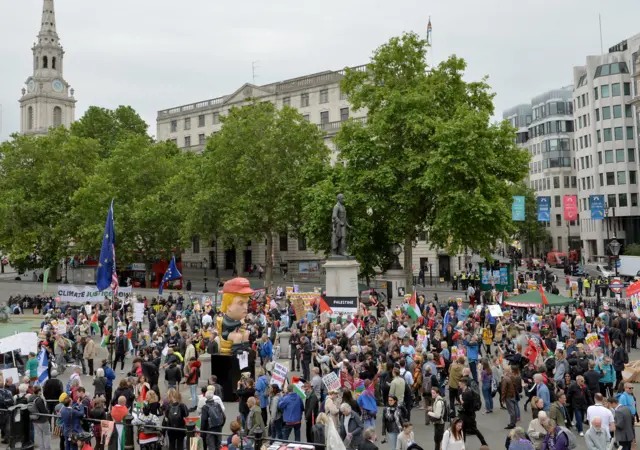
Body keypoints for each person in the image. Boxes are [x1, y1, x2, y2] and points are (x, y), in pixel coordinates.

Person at [458, 377, 488, 446]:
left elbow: (465, 405)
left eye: (460, 384)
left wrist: (461, 399)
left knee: (473, 429)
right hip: (469, 414)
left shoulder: (466, 393)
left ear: (463, 384)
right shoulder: (469, 390)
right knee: (464, 429)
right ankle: (463, 444)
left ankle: (483, 442)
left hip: (468, 415)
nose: (459, 385)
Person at [31, 385, 51, 450]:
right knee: (46, 435)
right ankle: (47, 448)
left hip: (35, 420)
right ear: (39, 391)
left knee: (39, 436)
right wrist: (48, 412)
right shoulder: (39, 400)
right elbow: (43, 411)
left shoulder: (30, 398)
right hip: (43, 420)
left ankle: (41, 448)